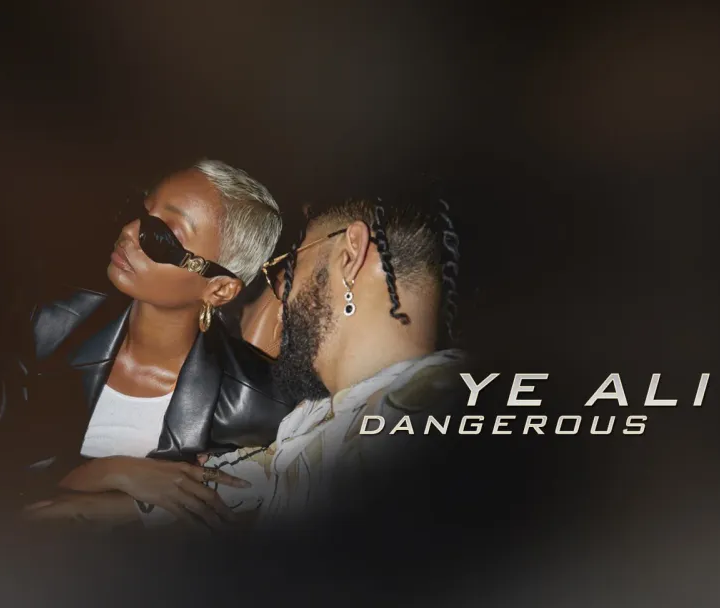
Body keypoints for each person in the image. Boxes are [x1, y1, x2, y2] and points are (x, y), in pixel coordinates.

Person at [94, 190, 468, 528]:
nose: (282, 293)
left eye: (289, 265)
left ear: (350, 255)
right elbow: (176, 501)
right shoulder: (315, 420)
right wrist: (114, 473)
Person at [0, 159, 294, 529]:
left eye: (161, 238)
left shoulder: (260, 406)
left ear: (218, 289)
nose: (129, 232)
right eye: (140, 212)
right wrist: (112, 472)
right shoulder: (46, 328)